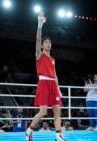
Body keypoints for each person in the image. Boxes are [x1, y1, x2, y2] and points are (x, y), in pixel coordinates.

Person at [25, 12, 67, 141]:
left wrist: (58, 90)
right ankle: (29, 130)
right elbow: (37, 40)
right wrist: (40, 24)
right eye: (46, 42)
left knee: (57, 111)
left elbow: (55, 75)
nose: (49, 44)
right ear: (43, 45)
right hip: (43, 83)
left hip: (53, 85)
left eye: (50, 42)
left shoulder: (53, 59)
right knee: (43, 112)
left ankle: (58, 136)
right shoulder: (39, 55)